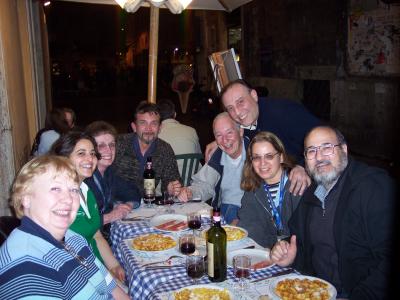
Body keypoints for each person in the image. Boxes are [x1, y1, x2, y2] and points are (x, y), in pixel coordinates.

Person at [270, 126, 396, 299]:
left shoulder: (373, 187)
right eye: (311, 151)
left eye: (327, 147)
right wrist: (287, 250)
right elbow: (296, 238)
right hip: (313, 290)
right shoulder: (313, 191)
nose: (319, 157)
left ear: (344, 149)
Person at [0, 155, 128, 299]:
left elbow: (112, 290)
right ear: (26, 198)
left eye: (73, 190)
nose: (68, 199)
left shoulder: (73, 237)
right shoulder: (25, 270)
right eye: (55, 188)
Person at [206, 79, 322, 196]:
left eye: (240, 102)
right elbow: (235, 130)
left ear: (254, 95)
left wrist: (303, 167)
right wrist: (219, 141)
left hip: (312, 180)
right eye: (230, 108)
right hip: (277, 186)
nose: (237, 112)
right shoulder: (247, 123)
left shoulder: (283, 112)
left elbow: (323, 137)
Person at [50, 132, 125, 282]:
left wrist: (114, 265)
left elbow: (96, 235)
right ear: (64, 159)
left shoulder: (85, 189)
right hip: (78, 276)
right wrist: (104, 277)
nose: (90, 159)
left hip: (97, 267)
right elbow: (61, 253)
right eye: (81, 153)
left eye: (92, 153)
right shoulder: (57, 199)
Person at [177, 112, 248, 224]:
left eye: (229, 132)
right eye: (219, 135)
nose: (225, 140)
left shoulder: (255, 154)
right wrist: (190, 192)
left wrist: (243, 219)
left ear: (241, 131)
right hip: (223, 210)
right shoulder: (218, 154)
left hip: (248, 212)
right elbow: (204, 184)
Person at [237, 131, 301, 248]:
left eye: (269, 156)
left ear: (281, 157)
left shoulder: (297, 185)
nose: (262, 163)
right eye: (256, 157)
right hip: (266, 252)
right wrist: (270, 248)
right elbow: (249, 225)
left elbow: (304, 233)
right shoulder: (253, 188)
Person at [113, 101, 182, 197]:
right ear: (134, 127)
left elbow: (172, 180)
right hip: (117, 203)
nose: (148, 129)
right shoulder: (118, 144)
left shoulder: (165, 149)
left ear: (160, 127)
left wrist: (171, 188)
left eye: (154, 123)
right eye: (143, 123)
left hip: (147, 205)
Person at [85, 121, 141, 236]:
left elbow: (132, 191)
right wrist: (110, 216)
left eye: (112, 145)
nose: (109, 151)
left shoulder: (109, 171)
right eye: (101, 146)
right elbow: (79, 223)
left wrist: (127, 206)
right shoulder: (84, 178)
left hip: (102, 234)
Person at [158, 98, 202, 176]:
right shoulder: (191, 131)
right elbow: (199, 155)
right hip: (190, 183)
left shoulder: (155, 135)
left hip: (166, 185)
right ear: (175, 114)